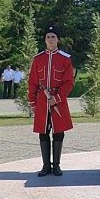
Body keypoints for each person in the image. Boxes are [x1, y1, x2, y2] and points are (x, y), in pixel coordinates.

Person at [28, 27, 75, 177]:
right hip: (42, 100)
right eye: (48, 36)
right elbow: (33, 82)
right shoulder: (38, 59)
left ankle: (57, 166)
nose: (50, 39)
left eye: (53, 36)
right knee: (43, 132)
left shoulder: (65, 59)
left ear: (58, 40)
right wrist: (32, 102)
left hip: (58, 100)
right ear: (45, 40)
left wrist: (58, 98)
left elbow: (69, 82)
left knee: (58, 132)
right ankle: (45, 166)